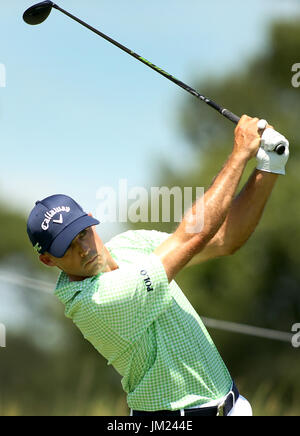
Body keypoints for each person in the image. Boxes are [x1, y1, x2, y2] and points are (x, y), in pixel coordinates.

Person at [26, 115, 289, 416]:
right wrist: (240, 153)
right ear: (48, 260)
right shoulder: (95, 302)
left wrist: (269, 165)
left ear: (89, 219)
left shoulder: (130, 244)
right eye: (66, 248)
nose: (83, 249)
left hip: (234, 404)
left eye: (82, 234)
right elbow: (193, 235)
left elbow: (223, 240)